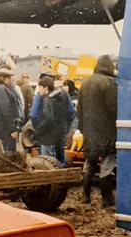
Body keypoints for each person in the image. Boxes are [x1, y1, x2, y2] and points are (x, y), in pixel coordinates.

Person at [78, 54, 118, 206]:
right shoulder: (110, 83)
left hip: (89, 132)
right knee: (107, 165)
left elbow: (80, 110)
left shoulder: (85, 83)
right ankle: (106, 199)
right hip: (107, 131)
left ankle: (85, 196)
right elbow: (114, 109)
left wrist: (82, 129)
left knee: (90, 163)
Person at [33, 76, 74, 166]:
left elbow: (48, 119)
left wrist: (37, 131)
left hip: (48, 137)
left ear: (46, 88)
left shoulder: (47, 100)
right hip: (61, 134)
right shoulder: (64, 93)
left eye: (40, 87)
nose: (38, 91)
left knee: (47, 163)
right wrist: (65, 127)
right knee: (61, 161)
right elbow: (71, 111)